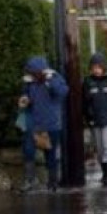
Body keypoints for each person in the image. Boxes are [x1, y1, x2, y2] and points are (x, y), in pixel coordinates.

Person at [18, 56, 68, 192]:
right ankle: (30, 180)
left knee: (50, 153)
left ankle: (52, 182)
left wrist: (50, 81)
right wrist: (24, 99)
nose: (30, 75)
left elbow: (62, 92)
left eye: (33, 72)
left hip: (50, 124)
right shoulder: (29, 83)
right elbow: (25, 96)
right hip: (33, 123)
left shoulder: (55, 78)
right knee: (28, 151)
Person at [82, 53, 107, 187]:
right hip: (95, 119)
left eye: (98, 67)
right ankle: (104, 171)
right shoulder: (87, 82)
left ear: (103, 67)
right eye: (93, 67)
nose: (96, 70)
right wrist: (87, 117)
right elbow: (85, 102)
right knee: (100, 148)